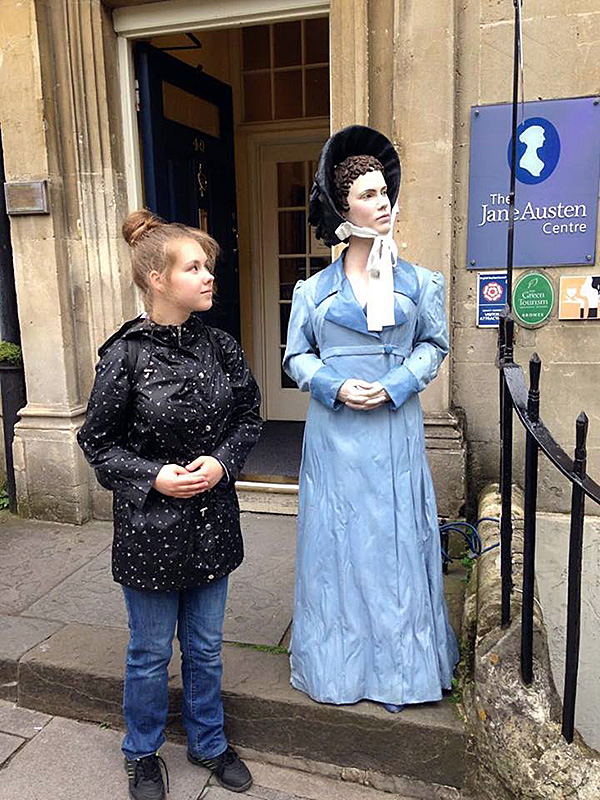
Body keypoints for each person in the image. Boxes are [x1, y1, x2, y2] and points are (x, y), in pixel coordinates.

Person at [77, 210, 262, 799]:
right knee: (150, 652)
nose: (209, 276)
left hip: (212, 522)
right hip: (148, 529)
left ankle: (209, 742)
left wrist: (222, 462)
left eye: (208, 266)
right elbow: (97, 443)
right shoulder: (125, 355)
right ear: (157, 279)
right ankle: (141, 752)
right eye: (194, 267)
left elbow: (249, 417)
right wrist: (153, 476)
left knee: (205, 648)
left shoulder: (221, 346)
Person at [283, 125, 459, 711]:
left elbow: (433, 345)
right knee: (337, 547)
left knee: (394, 544)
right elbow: (296, 357)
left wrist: (395, 384)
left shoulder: (420, 282)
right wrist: (334, 385)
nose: (382, 202)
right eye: (367, 194)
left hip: (393, 426)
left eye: (385, 191)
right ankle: (338, 668)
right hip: (335, 434)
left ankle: (402, 672)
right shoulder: (312, 291)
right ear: (343, 208)